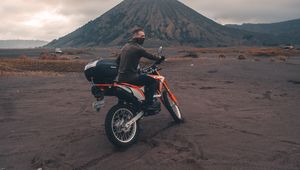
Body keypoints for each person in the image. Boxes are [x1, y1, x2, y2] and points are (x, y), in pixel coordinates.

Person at [116, 28, 165, 111]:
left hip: (121, 78)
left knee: (142, 77)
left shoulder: (125, 46)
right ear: (135, 36)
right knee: (153, 81)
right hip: (131, 78)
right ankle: (148, 104)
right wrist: (160, 58)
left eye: (144, 36)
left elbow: (118, 60)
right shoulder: (138, 48)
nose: (144, 38)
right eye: (142, 36)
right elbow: (150, 56)